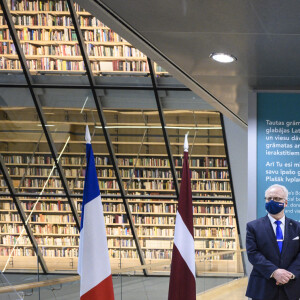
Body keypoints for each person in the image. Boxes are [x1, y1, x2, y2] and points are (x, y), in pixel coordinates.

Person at [246, 184, 300, 300]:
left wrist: (289, 274)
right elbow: (253, 254)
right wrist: (274, 272)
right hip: (263, 288)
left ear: (285, 203)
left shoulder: (297, 227)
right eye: (269, 198)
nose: (272, 201)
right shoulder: (253, 227)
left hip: (291, 288)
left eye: (277, 199)